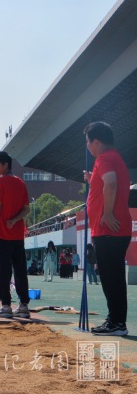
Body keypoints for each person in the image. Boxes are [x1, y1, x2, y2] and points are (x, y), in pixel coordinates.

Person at [83, 121, 131, 336]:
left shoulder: (104, 159)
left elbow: (110, 183)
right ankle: (116, 321)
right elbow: (107, 183)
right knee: (114, 277)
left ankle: (117, 322)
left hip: (109, 230)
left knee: (111, 278)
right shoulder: (114, 157)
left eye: (88, 142)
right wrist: (92, 179)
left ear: (96, 141)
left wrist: (108, 213)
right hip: (114, 230)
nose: (88, 146)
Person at [0, 151, 31, 318]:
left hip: (3, 234)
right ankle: (23, 305)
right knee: (20, 270)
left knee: (3, 271)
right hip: (18, 235)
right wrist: (15, 220)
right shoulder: (21, 182)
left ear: (6, 165)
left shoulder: (1, 181)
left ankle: (6, 305)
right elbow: (26, 209)